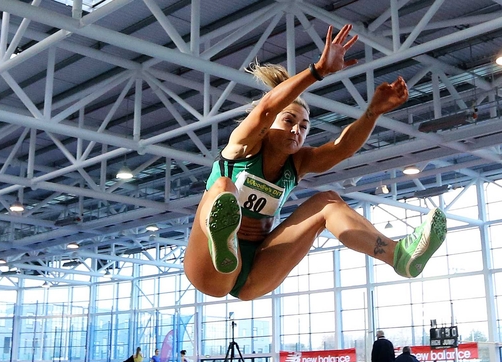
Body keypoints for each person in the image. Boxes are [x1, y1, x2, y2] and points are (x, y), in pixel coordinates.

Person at [183, 23, 446, 301]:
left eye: (305, 126)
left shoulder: (298, 163)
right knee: (224, 186)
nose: (297, 130)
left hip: (257, 268)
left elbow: (342, 148)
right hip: (209, 269)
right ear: (270, 124)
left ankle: (399, 256)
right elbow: (265, 109)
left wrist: (373, 113)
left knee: (328, 201)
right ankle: (224, 242)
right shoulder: (242, 147)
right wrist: (317, 71)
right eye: (289, 120)